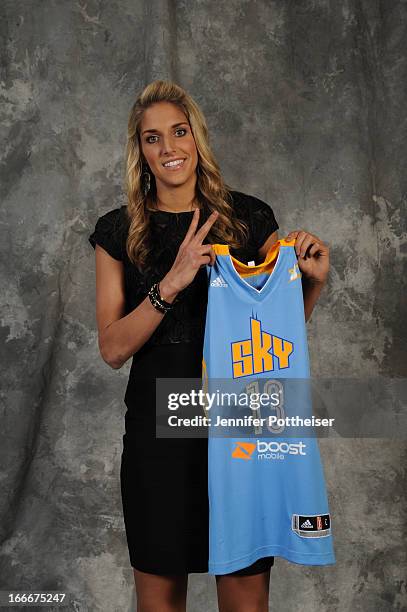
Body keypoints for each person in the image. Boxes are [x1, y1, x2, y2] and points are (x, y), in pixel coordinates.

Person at [88, 79, 329, 612]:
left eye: (179, 132)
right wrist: (169, 284)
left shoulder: (248, 218)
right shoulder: (119, 230)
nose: (169, 147)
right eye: (153, 138)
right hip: (159, 429)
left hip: (240, 420)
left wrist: (311, 281)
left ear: (197, 138)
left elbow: (279, 337)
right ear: (141, 151)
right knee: (160, 603)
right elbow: (111, 348)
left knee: (245, 601)